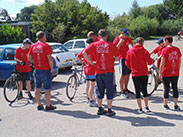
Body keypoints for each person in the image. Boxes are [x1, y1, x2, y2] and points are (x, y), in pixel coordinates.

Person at [83, 29, 120, 117]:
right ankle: (109, 109)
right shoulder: (111, 45)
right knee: (109, 89)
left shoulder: (94, 45)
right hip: (109, 71)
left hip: (98, 70)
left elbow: (84, 53)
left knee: (99, 89)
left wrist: (91, 62)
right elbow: (118, 58)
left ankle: (100, 108)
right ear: (106, 36)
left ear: (99, 36)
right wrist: (112, 60)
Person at [28, 31, 56, 111]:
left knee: (37, 88)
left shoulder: (33, 46)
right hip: (45, 70)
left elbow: (29, 58)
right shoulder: (46, 46)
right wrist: (51, 68)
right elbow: (50, 59)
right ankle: (48, 105)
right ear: (43, 37)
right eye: (45, 36)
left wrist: (35, 62)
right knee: (47, 89)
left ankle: (39, 105)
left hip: (37, 70)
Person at [125, 37, 153, 113]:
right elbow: (150, 62)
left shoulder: (130, 51)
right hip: (144, 73)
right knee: (144, 90)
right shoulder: (144, 51)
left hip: (135, 73)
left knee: (137, 90)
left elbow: (126, 62)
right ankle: (146, 107)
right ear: (142, 43)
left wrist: (132, 68)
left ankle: (140, 108)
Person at [159, 35, 182, 110]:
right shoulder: (177, 49)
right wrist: (177, 69)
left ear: (166, 41)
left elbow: (162, 63)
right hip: (175, 72)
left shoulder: (164, 50)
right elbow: (179, 61)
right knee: (175, 87)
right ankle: (175, 104)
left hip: (166, 72)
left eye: (164, 41)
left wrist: (160, 72)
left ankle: (165, 104)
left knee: (166, 88)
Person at [113, 28, 133, 98]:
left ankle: (126, 88)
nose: (126, 36)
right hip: (122, 58)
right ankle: (122, 91)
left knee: (128, 74)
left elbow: (131, 43)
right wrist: (120, 42)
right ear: (122, 33)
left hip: (128, 58)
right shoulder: (117, 39)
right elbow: (114, 49)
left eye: (127, 35)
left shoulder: (127, 39)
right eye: (125, 35)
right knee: (123, 75)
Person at [77, 37, 97, 107]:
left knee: (88, 85)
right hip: (92, 69)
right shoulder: (93, 50)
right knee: (92, 86)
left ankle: (88, 98)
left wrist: (82, 61)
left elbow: (78, 57)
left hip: (86, 69)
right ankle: (91, 100)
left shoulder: (84, 50)